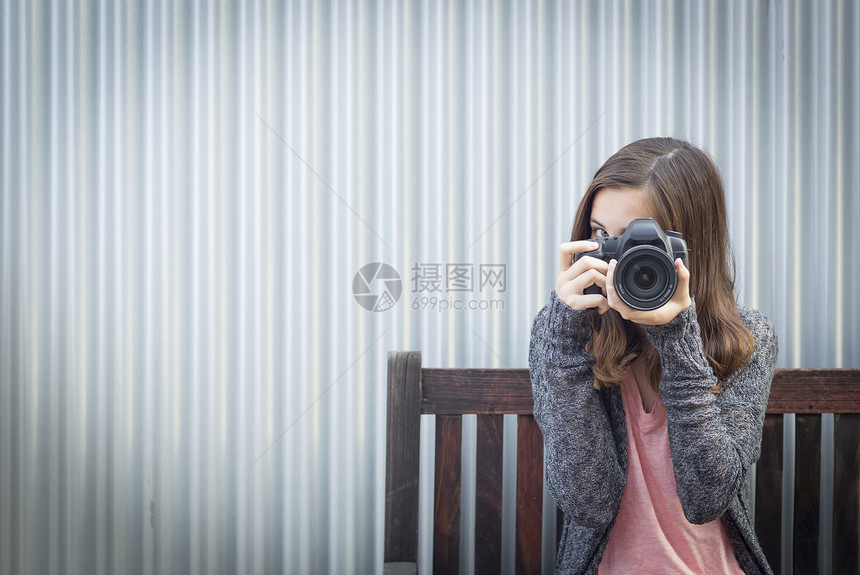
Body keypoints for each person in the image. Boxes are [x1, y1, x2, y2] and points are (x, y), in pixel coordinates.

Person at [528, 137, 778, 574]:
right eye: (602, 235)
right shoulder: (564, 334)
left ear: (690, 245)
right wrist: (565, 343)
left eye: (639, 241)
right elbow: (589, 504)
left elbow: (707, 500)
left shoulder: (746, 337)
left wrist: (678, 342)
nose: (618, 258)